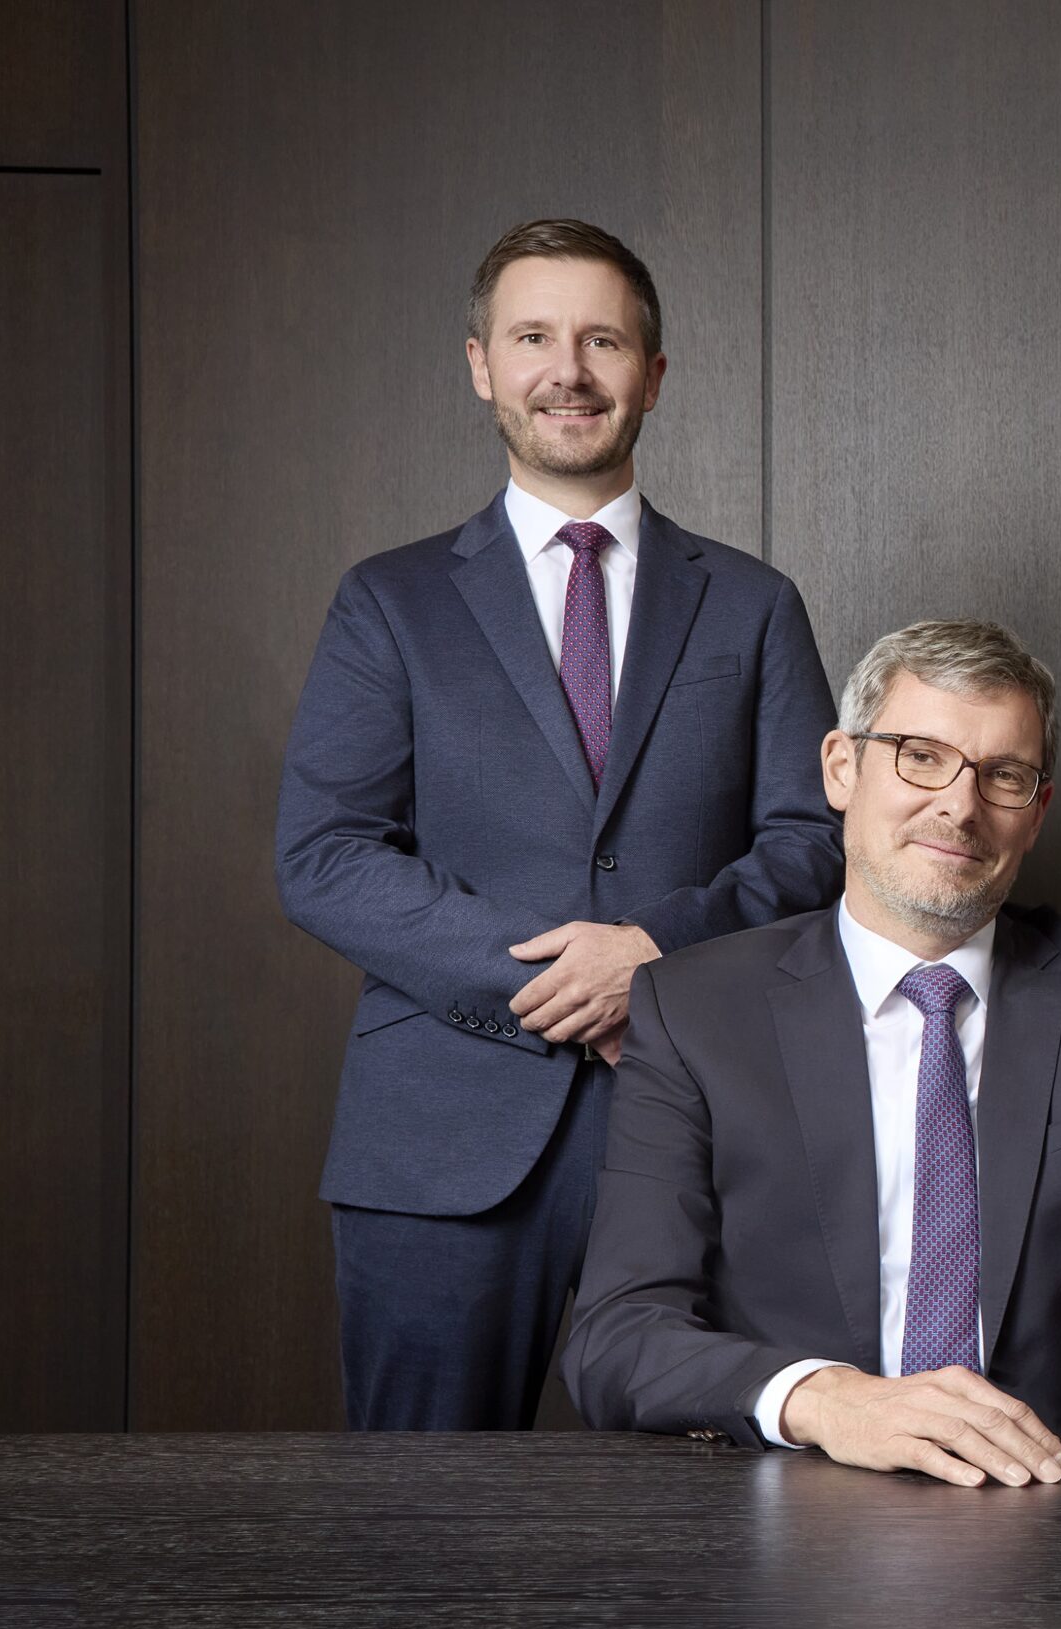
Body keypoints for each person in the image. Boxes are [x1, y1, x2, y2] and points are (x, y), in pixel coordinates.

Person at [275, 217, 842, 1430]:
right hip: (441, 1141)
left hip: (699, 1133)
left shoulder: (751, 604)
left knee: (707, 1519)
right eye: (533, 337)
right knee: (423, 1521)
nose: (568, 370)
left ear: (653, 373)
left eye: (603, 341)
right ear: (481, 364)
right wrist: (560, 978)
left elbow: (812, 844)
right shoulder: (391, 601)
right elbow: (326, 858)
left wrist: (651, 955)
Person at [566, 621, 1061, 1482]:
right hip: (802, 1488)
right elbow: (619, 1334)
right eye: (921, 756)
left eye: (1003, 775)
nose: (959, 806)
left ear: (1037, 813)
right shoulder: (695, 1008)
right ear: (842, 767)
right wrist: (826, 1400)